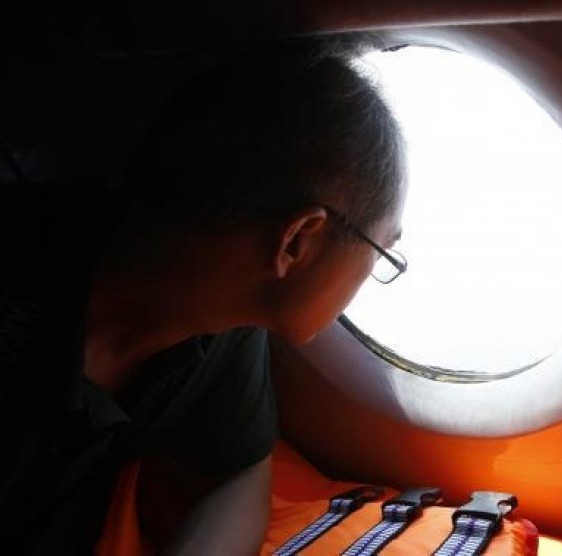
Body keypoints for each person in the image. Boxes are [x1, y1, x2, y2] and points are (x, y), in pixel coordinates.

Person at [0, 35, 406, 554]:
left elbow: (241, 471)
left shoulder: (222, 327)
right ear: (299, 239)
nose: (372, 273)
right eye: (382, 251)